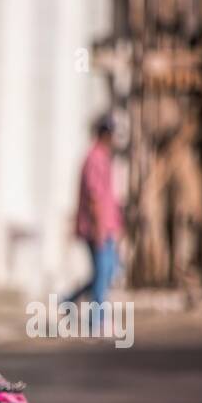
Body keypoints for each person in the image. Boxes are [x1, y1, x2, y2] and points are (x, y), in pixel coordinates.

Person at [64, 114, 123, 306]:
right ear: (105, 134)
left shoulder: (104, 158)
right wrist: (99, 228)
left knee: (108, 272)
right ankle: (95, 322)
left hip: (106, 227)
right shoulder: (95, 159)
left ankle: (68, 302)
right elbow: (94, 197)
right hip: (97, 228)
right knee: (102, 275)